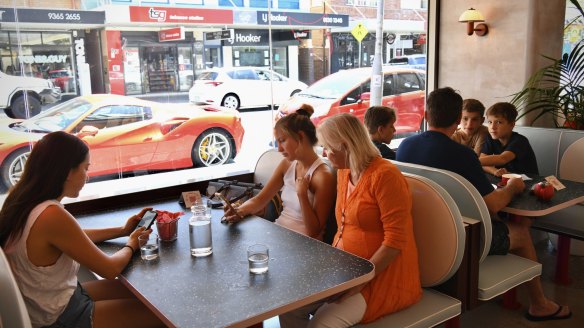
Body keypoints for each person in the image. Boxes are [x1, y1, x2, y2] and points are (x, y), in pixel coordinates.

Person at [396, 87, 571, 322]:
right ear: (458, 120)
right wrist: (513, 187)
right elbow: (493, 205)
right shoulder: (462, 155)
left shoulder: (405, 146)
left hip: (417, 232)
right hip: (461, 240)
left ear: (427, 115)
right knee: (520, 233)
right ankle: (539, 305)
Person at [0, 131, 164, 328]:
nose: (87, 176)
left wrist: (122, 230)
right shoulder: (51, 215)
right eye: (85, 168)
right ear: (68, 172)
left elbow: (72, 238)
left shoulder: (24, 202)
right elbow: (109, 269)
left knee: (147, 297)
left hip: (52, 302)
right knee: (160, 317)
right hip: (60, 317)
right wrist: (132, 244)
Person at [279, 114, 421, 327]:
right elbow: (344, 228)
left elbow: (395, 241)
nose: (325, 154)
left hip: (381, 276)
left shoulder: (385, 176)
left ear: (345, 146)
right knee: (288, 306)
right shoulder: (344, 172)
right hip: (344, 268)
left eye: (327, 148)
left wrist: (360, 280)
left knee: (321, 324)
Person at [223, 104, 335, 240]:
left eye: (282, 141)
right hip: (279, 235)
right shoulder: (287, 164)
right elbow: (260, 199)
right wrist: (239, 211)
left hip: (306, 246)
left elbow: (313, 232)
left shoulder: (323, 176)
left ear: (300, 136)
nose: (279, 149)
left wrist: (302, 195)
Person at [479, 102, 539, 176]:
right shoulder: (490, 138)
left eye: (498, 122)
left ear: (511, 124)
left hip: (528, 181)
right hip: (506, 179)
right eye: (490, 122)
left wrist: (469, 160)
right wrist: (494, 171)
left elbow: (502, 159)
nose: (492, 127)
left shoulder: (520, 141)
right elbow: (483, 161)